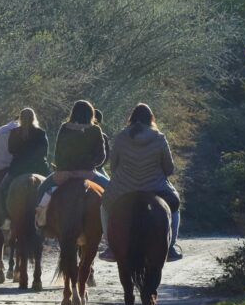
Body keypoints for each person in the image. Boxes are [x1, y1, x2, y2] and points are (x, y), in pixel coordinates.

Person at [101, 103, 183, 259]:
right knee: (175, 206)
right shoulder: (159, 137)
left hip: (123, 189)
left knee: (105, 205)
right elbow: (169, 169)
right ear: (150, 119)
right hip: (155, 188)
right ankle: (171, 247)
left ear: (131, 118)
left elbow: (114, 166)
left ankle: (110, 247)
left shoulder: (121, 137)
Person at [36, 100, 109, 225]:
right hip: (88, 173)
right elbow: (101, 156)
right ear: (91, 113)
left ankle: (40, 221)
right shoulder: (96, 129)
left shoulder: (64, 127)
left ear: (73, 113)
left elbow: (57, 152)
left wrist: (62, 167)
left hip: (64, 174)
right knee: (111, 189)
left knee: (42, 189)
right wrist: (91, 165)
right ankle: (111, 223)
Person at [2, 108, 50, 202]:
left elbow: (11, 150)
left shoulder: (14, 132)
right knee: (54, 187)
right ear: (33, 118)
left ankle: (5, 215)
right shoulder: (41, 133)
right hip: (39, 167)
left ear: (20, 118)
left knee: (2, 188)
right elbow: (44, 152)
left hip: (17, 168)